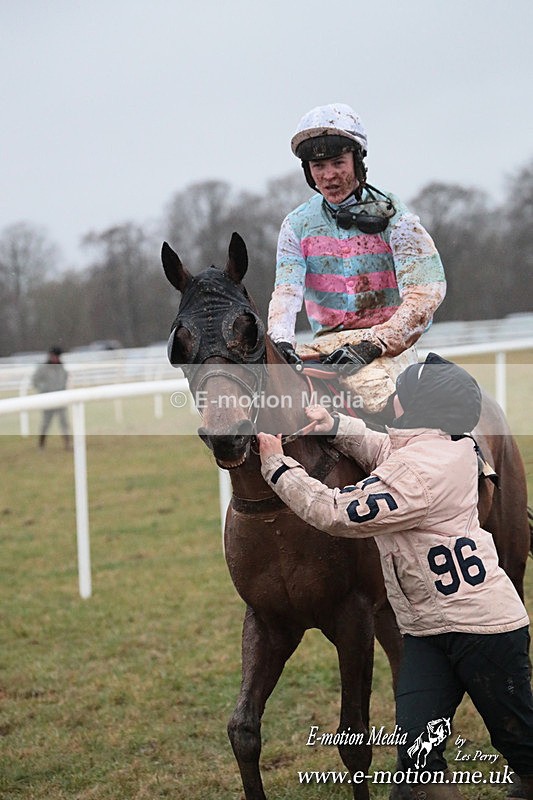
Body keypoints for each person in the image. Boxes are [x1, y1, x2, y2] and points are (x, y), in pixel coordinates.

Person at [257, 353, 533, 800]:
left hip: (484, 635)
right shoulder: (441, 444)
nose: (391, 398)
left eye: (401, 393)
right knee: (415, 778)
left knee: (525, 754)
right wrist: (334, 423)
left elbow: (335, 511)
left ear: (420, 407)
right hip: (427, 634)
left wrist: (277, 466)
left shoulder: (419, 472)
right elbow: (384, 448)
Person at [267, 103, 446, 415]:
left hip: (388, 351)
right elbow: (286, 291)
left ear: (358, 160)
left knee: (381, 403)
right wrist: (281, 341)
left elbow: (426, 292)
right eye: (318, 166)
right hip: (323, 348)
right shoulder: (295, 225)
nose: (329, 176)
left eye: (338, 162)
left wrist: (374, 343)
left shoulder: (396, 217)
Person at [32, 346, 70, 449]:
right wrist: (44, 390)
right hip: (48, 400)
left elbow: (64, 380)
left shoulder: (61, 368)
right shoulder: (43, 368)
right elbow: (35, 381)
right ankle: (41, 444)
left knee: (64, 422)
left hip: (60, 399)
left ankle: (67, 444)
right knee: (45, 423)